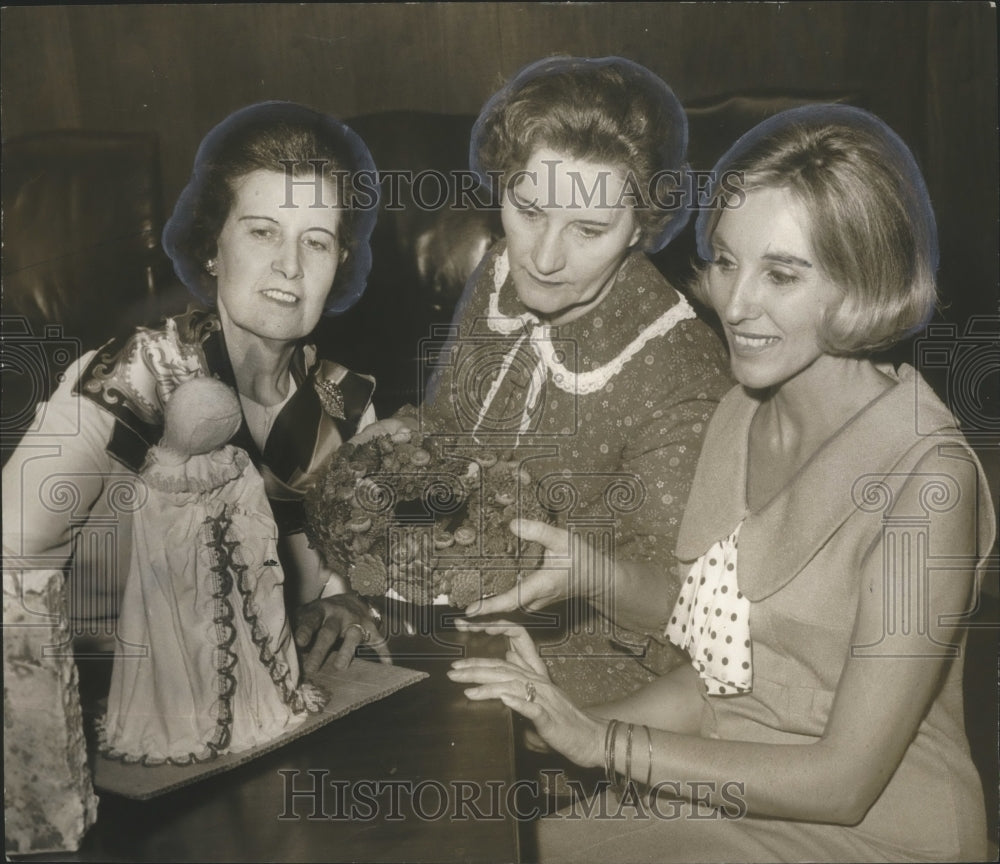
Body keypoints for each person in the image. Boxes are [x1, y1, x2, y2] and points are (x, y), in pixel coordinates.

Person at [448, 104, 996, 861]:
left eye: (782, 274)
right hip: (729, 789)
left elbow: (843, 782)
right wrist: (559, 720)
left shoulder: (930, 482)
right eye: (728, 260)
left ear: (861, 281)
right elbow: (720, 678)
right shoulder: (741, 411)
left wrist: (601, 742)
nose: (735, 306)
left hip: (875, 830)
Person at [361, 56, 731, 703]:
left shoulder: (681, 369)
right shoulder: (503, 271)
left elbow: (687, 614)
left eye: (588, 229)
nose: (544, 256)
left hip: (583, 668)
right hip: (450, 613)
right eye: (528, 209)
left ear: (641, 228)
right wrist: (407, 440)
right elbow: (449, 424)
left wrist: (589, 576)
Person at [2, 101, 387, 673]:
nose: (290, 266)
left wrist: (350, 604)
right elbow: (10, 557)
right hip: (104, 685)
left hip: (269, 698)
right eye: (262, 232)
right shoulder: (130, 375)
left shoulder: (349, 407)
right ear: (213, 247)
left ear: (340, 264)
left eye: (316, 242)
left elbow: (373, 577)